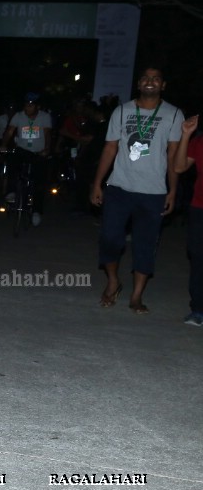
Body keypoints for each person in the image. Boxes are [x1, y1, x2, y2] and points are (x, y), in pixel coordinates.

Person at [91, 66, 184, 314]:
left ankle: (136, 295)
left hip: (153, 191)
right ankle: (113, 280)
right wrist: (97, 183)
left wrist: (172, 190)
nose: (150, 81)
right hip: (119, 186)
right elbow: (110, 148)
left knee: (145, 244)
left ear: (163, 85)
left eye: (156, 78)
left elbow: (173, 155)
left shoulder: (174, 115)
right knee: (110, 238)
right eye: (145, 78)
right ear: (139, 84)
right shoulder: (122, 111)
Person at [1, 92, 52, 226]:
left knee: (39, 181)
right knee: (12, 162)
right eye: (26, 105)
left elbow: (47, 134)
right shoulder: (18, 116)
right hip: (22, 150)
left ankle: (36, 211)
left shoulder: (45, 117)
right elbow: (10, 131)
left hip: (38, 152)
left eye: (31, 105)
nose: (28, 108)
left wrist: (46, 148)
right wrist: (4, 144)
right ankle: (11, 192)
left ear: (37, 106)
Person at [173, 113, 202, 325]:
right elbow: (179, 167)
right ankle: (198, 309)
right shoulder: (199, 142)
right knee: (198, 258)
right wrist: (185, 135)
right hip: (199, 207)